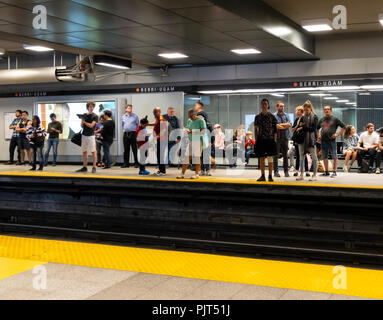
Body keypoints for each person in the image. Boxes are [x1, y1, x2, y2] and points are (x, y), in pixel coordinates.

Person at [177, 109, 206, 179]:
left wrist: (192, 132)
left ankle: (196, 174)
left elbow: (203, 131)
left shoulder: (201, 121)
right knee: (187, 157)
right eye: (188, 115)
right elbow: (188, 128)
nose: (189, 116)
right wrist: (185, 129)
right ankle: (182, 174)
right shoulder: (189, 120)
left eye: (190, 115)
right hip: (191, 140)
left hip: (198, 140)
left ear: (194, 114)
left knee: (197, 157)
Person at [318, 105, 346, 178]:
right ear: (324, 111)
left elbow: (344, 127)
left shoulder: (335, 119)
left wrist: (337, 134)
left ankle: (334, 172)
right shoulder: (322, 119)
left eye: (328, 109)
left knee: (334, 156)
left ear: (331, 110)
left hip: (332, 141)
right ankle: (326, 172)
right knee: (324, 156)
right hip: (323, 141)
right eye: (325, 109)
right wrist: (319, 135)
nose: (326, 110)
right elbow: (316, 128)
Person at [254, 98, 278, 182]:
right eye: (262, 104)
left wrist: (274, 140)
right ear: (261, 105)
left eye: (265, 104)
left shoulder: (272, 116)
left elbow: (275, 129)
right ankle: (262, 175)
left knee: (270, 158)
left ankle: (270, 175)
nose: (264, 105)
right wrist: (256, 140)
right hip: (261, 140)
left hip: (270, 140)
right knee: (261, 158)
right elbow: (255, 129)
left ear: (268, 106)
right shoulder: (257, 117)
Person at [296, 101, 319, 181]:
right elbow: (299, 126)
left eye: (307, 110)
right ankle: (301, 174)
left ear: (310, 109)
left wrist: (303, 127)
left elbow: (313, 129)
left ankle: (314, 174)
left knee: (314, 157)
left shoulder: (315, 117)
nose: (306, 112)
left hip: (311, 140)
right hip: (302, 140)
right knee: (301, 157)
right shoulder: (302, 117)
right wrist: (302, 127)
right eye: (305, 110)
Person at [76, 101, 98, 173]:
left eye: (92, 107)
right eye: (90, 107)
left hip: (91, 136)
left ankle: (94, 167)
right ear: (87, 107)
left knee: (93, 151)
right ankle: (84, 167)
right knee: (84, 151)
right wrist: (82, 121)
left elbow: (92, 125)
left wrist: (84, 122)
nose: (91, 108)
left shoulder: (95, 116)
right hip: (84, 135)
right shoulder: (84, 115)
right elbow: (82, 126)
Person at [273, 101, 292, 178]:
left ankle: (286, 171)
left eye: (283, 106)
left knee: (285, 155)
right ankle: (276, 171)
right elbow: (275, 126)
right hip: (277, 138)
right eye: (280, 106)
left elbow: (289, 124)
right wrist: (284, 125)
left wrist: (280, 125)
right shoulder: (274, 116)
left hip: (285, 137)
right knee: (275, 155)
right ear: (277, 107)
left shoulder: (286, 115)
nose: (282, 108)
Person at [195, 101, 212, 176]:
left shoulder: (200, 114)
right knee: (203, 154)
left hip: (203, 138)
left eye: (196, 105)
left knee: (203, 154)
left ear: (199, 106)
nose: (195, 106)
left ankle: (205, 169)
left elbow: (207, 127)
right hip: (203, 138)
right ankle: (204, 170)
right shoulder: (204, 115)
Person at [152, 107, 169, 176]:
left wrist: (157, 136)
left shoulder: (161, 118)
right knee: (159, 155)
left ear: (159, 112)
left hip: (162, 140)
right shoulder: (157, 119)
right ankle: (160, 169)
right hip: (159, 140)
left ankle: (163, 171)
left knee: (160, 155)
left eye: (156, 112)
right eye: (154, 112)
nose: (155, 113)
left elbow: (163, 129)